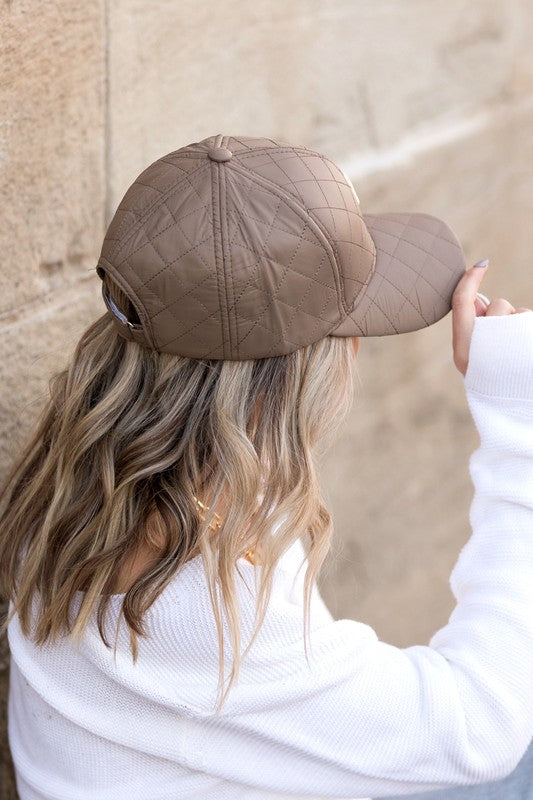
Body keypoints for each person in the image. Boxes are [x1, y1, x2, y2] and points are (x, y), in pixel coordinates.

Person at [0, 134, 532, 800]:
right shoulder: (203, 604)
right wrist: (521, 428)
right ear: (301, 375)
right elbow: (480, 729)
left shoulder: (90, 477)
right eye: (347, 331)